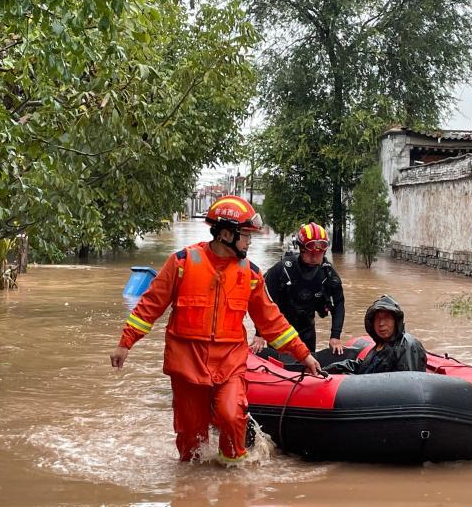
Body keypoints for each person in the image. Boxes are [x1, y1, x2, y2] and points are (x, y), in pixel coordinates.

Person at [109, 195, 321, 464]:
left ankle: (232, 483)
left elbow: (272, 322)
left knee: (232, 416)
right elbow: (150, 306)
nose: (249, 241)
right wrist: (125, 343)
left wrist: (304, 355)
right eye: (245, 235)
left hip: (229, 363)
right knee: (190, 440)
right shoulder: (182, 264)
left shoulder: (250, 275)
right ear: (224, 233)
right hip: (187, 364)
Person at [250, 222, 345, 354]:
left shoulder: (328, 274)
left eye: (319, 253)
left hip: (307, 330)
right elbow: (262, 300)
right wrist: (259, 334)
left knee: (308, 364)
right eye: (310, 253)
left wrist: (335, 336)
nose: (314, 257)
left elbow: (339, 303)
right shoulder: (283, 269)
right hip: (279, 329)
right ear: (301, 249)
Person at [323, 294, 426, 374]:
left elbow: (410, 386)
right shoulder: (379, 346)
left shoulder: (408, 345)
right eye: (378, 318)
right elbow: (363, 367)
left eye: (387, 318)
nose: (381, 323)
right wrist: (331, 368)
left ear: (396, 321)